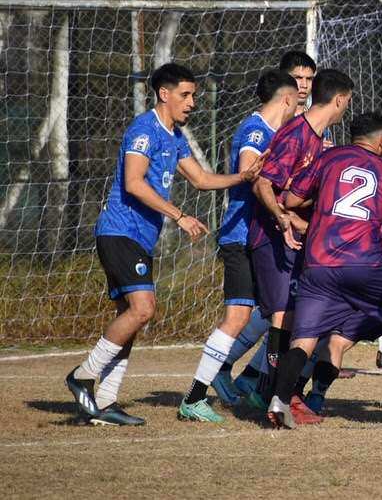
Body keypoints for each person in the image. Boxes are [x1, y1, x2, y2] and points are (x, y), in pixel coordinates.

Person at [65, 63, 266, 426]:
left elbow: (202, 179)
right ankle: (82, 375)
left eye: (194, 96)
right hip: (119, 231)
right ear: (164, 94)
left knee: (128, 317)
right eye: (185, 95)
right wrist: (179, 215)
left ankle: (106, 402)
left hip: (139, 237)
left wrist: (242, 176)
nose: (191, 103)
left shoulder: (174, 137)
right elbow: (133, 182)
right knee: (144, 309)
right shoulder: (145, 129)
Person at [267, 113, 382, 428]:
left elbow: (292, 198)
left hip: (317, 262)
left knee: (304, 341)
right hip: (363, 262)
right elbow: (379, 218)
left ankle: (279, 399)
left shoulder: (330, 157)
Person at [177, 69, 298, 421]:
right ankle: (195, 396)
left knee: (278, 312)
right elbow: (249, 168)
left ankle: (258, 386)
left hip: (258, 236)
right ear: (287, 99)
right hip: (242, 236)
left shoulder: (272, 131)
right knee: (237, 317)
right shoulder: (257, 129)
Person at [246, 68, 352, 418]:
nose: (346, 109)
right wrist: (281, 217)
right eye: (347, 102)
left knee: (297, 319)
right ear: (339, 100)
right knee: (282, 316)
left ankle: (277, 393)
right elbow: (263, 183)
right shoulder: (296, 134)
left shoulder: (319, 140)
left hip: (294, 238)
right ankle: (268, 395)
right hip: (271, 237)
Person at [230, 51, 322, 399]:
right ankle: (229, 374)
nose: (303, 85)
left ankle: (254, 379)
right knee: (268, 310)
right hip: (257, 229)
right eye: (297, 78)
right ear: (283, 84)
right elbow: (259, 179)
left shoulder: (312, 128)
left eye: (309, 79)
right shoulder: (268, 127)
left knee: (281, 310)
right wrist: (286, 215)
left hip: (287, 228)